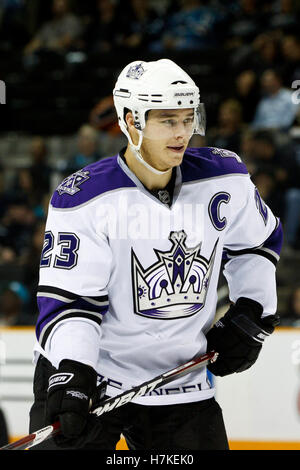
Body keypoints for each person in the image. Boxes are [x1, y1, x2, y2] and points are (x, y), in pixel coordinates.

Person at [29, 59, 282, 450]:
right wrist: (74, 367)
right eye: (167, 121)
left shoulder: (224, 176)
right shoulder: (84, 199)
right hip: (93, 376)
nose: (182, 133)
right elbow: (70, 302)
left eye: (187, 119)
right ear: (131, 122)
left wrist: (252, 308)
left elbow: (257, 243)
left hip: (178, 377)